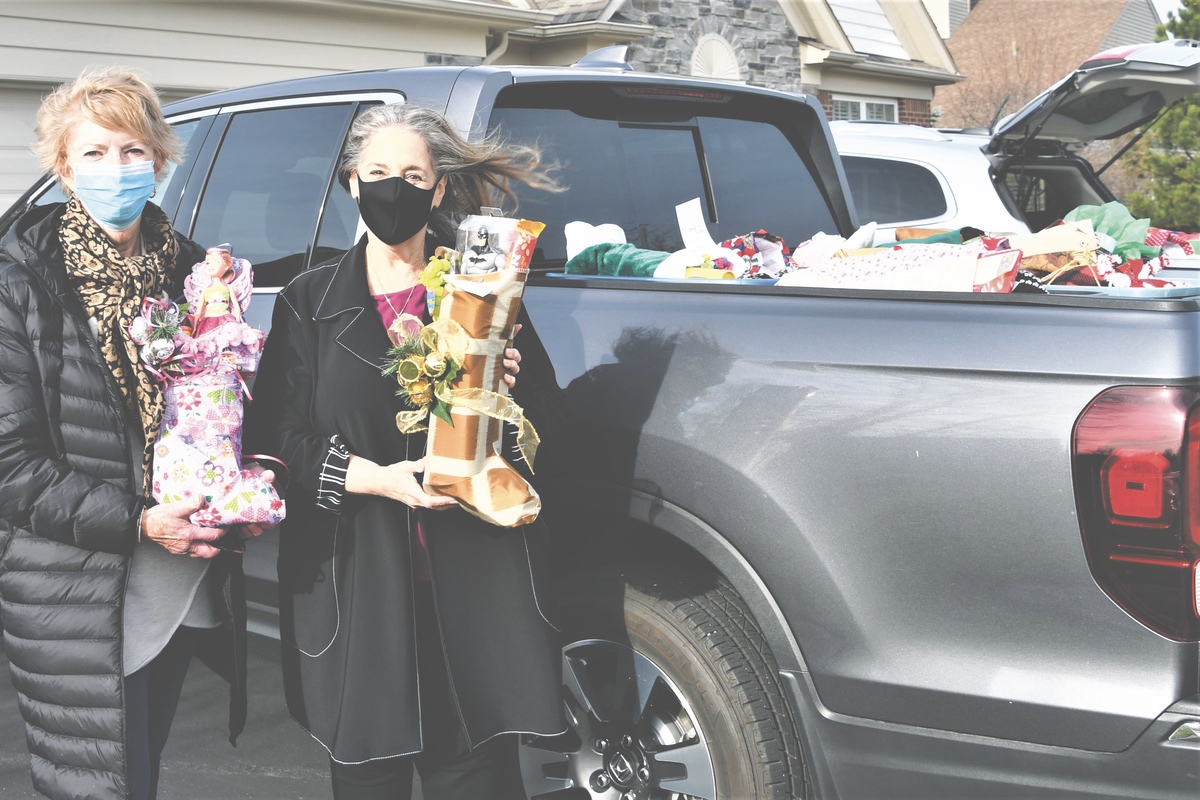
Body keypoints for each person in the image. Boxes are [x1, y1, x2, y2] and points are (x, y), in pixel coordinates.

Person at [244, 102, 566, 799]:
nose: (396, 189)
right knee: (371, 776)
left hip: (467, 593)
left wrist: (504, 392)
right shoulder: (308, 301)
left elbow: (543, 426)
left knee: (478, 776)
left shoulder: (481, 289)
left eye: (413, 174)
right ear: (354, 185)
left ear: (440, 188)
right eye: (379, 172)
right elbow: (277, 438)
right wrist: (373, 479)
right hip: (359, 588)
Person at [0, 67, 272, 800]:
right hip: (78, 584)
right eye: (92, 154)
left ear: (158, 158)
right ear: (62, 167)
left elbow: (235, 404)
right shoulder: (19, 280)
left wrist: (242, 481)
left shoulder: (193, 272)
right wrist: (140, 520)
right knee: (97, 779)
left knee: (137, 770)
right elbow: (10, 464)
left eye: (132, 151)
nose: (115, 169)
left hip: (181, 568)